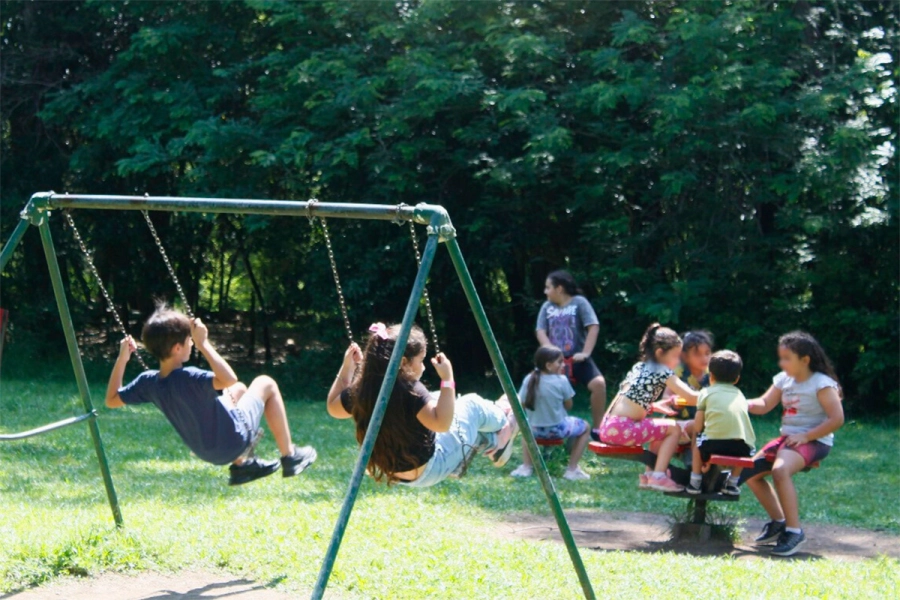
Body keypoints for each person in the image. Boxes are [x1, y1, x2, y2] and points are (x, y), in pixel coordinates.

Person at [106, 304, 317, 486]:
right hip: (235, 441)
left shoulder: (148, 382)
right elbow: (228, 378)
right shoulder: (191, 377)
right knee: (266, 383)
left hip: (207, 452)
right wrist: (204, 344)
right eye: (190, 341)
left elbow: (112, 399)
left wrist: (123, 358)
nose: (192, 343)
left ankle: (243, 466)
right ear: (178, 348)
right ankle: (290, 456)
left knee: (240, 390)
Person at [326, 323, 518, 487]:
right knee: (472, 404)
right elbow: (441, 424)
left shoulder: (364, 389)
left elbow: (333, 407)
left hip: (393, 471)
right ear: (402, 362)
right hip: (431, 468)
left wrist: (348, 366)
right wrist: (447, 379)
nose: (424, 366)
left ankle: (491, 442)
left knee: (439, 400)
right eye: (420, 360)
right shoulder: (411, 390)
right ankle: (504, 421)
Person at [745, 331, 844, 557]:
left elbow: (837, 419)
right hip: (789, 440)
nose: (782, 363)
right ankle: (779, 522)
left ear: (805, 360)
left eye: (787, 358)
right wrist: (741, 402)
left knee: (780, 470)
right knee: (749, 470)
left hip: (815, 440)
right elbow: (763, 404)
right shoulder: (783, 379)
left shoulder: (821, 383)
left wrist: (807, 436)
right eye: (781, 358)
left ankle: (794, 531)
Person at [597, 323, 701, 492]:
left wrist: (654, 406)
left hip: (610, 427)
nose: (677, 362)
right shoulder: (662, 371)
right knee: (673, 428)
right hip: (623, 429)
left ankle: (649, 475)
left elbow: (631, 400)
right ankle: (659, 476)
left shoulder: (640, 367)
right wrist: (715, 397)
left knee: (661, 429)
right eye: (675, 357)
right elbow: (690, 397)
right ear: (660, 353)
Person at [535, 270, 607, 439]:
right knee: (542, 389)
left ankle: (598, 430)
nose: (545, 292)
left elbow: (593, 326)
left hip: (577, 358)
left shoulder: (579, 303)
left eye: (548, 287)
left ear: (559, 288)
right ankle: (547, 431)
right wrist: (550, 353)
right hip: (554, 362)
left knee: (599, 384)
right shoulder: (547, 307)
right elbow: (540, 330)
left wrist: (585, 353)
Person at [510, 345, 591, 481]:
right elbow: (569, 405)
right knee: (586, 427)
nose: (563, 365)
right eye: (560, 362)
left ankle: (527, 466)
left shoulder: (529, 379)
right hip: (557, 429)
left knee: (526, 428)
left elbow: (522, 404)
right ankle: (572, 469)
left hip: (534, 431)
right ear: (548, 365)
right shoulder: (561, 381)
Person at [686, 350, 756, 496]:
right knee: (748, 448)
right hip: (742, 447)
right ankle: (732, 483)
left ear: (710, 376)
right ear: (736, 379)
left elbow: (698, 427)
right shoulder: (740, 395)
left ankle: (695, 481)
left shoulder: (706, 393)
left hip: (713, 444)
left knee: (697, 442)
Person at [669, 330, 714, 420]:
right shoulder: (679, 372)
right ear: (685, 356)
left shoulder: (712, 373)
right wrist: (674, 400)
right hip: (680, 419)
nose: (704, 358)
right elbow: (666, 396)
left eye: (707, 353)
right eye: (697, 354)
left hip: (705, 420)